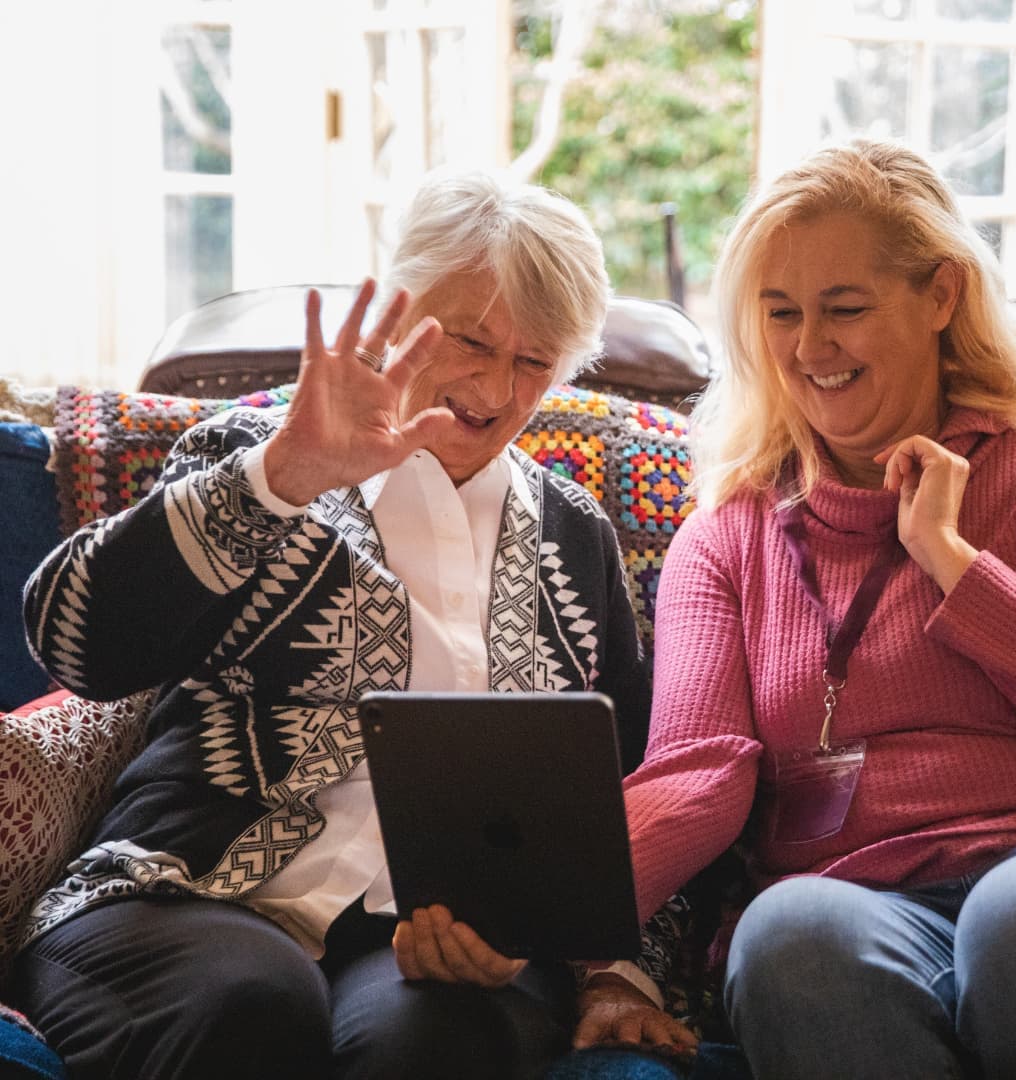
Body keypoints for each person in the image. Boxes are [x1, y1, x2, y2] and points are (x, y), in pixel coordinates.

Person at [569, 138, 1016, 1079]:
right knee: (788, 932)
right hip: (857, 893)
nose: (809, 349)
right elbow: (696, 774)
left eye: (845, 310)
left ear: (941, 295)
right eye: (779, 314)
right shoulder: (732, 530)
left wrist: (955, 563)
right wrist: (531, 917)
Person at [13, 169, 656, 1080]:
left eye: (535, 360)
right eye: (471, 339)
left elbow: (623, 778)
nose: (495, 387)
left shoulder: (577, 536)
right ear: (396, 309)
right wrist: (276, 479)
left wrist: (548, 936)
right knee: (255, 1001)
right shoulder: (256, 453)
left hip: (435, 942)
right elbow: (71, 639)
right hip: (190, 891)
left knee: (430, 1041)